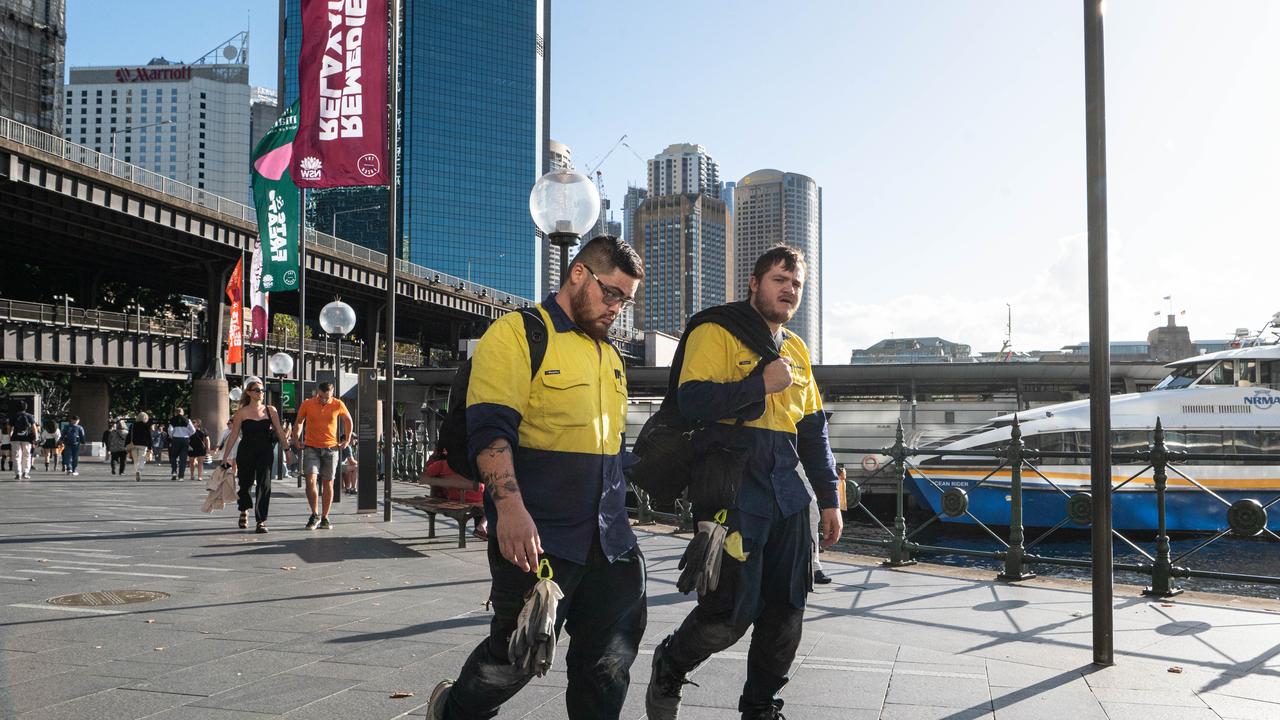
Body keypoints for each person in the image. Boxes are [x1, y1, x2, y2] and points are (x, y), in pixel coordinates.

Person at [427, 235, 647, 720]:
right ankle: (454, 710)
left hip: (609, 538)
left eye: (626, 301)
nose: (617, 309)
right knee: (515, 658)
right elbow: (491, 430)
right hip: (538, 536)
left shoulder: (609, 355)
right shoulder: (518, 333)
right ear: (578, 274)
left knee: (609, 662)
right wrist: (508, 508)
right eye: (611, 293)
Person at [646, 245, 843, 720]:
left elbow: (814, 431)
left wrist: (829, 500)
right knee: (729, 613)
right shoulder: (716, 329)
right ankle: (670, 663)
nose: (788, 290)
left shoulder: (796, 349)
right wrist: (759, 384)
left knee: (787, 611)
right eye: (779, 279)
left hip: (787, 487)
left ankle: (760, 709)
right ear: (754, 284)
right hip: (731, 484)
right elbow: (689, 401)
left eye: (796, 283)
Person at [220, 376, 292, 533]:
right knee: (245, 484)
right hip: (246, 451)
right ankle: (244, 510)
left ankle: (261, 520)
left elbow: (279, 431)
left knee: (264, 484)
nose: (261, 393)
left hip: (265, 451)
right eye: (258, 390)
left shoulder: (270, 410)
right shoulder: (241, 412)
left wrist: (287, 451)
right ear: (249, 393)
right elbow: (233, 435)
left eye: (263, 390)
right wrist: (225, 457)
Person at [290, 382, 353, 530]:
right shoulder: (308, 403)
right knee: (310, 480)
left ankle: (325, 517)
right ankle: (314, 514)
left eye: (327, 397)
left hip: (331, 449)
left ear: (332, 394)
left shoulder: (338, 404)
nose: (324, 400)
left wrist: (347, 439)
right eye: (322, 397)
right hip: (311, 447)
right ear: (317, 392)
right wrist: (296, 438)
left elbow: (348, 419)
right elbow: (299, 421)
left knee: (328, 483)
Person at [9, 401, 36, 480]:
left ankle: (18, 473)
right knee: (27, 455)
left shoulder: (14, 416)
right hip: (27, 438)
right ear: (26, 407)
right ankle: (25, 472)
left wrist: (10, 435)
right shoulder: (29, 416)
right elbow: (34, 427)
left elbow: (9, 427)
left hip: (15, 438)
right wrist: (35, 437)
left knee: (16, 456)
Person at [168, 408, 195, 481]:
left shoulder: (173, 420)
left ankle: (174, 471)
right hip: (185, 439)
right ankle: (181, 476)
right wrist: (188, 434)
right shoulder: (187, 420)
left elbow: (170, 430)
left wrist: (172, 436)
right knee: (183, 458)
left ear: (176, 413)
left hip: (175, 439)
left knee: (173, 456)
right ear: (182, 413)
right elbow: (193, 430)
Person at [127, 412, 152, 481]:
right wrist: (150, 447)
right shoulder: (146, 426)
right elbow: (149, 437)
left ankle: (136, 471)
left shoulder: (132, 425)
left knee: (135, 460)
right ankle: (139, 471)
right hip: (143, 445)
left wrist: (126, 444)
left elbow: (129, 435)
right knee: (142, 459)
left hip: (134, 444)